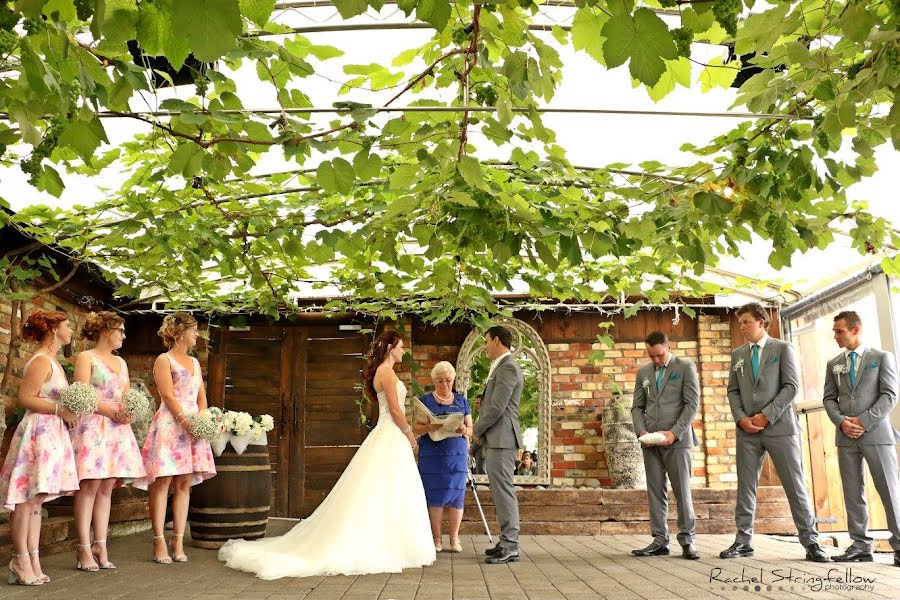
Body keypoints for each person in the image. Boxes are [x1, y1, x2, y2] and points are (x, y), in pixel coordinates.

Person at [218, 331, 435, 579]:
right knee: (384, 488)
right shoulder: (385, 372)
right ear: (389, 349)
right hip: (391, 433)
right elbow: (395, 410)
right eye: (400, 346)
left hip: (388, 435)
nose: (403, 350)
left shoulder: (386, 371)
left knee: (390, 489)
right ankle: (384, 544)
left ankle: (394, 542)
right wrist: (410, 435)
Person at [720, 303, 828, 562]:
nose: (742, 327)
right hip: (747, 431)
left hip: (781, 429)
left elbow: (791, 387)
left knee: (795, 485)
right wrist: (742, 419)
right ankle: (743, 541)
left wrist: (765, 416)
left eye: (746, 321)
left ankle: (811, 542)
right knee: (746, 487)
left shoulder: (783, 349)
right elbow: (733, 391)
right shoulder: (738, 356)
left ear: (761, 321)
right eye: (740, 323)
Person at [0, 310, 80, 585]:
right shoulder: (41, 361)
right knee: (25, 500)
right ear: (54, 329)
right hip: (38, 433)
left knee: (36, 500)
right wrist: (61, 410)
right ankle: (20, 559)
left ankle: (32, 558)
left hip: (51, 435)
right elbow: (25, 398)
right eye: (68, 325)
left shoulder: (53, 361)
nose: (71, 330)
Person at [135, 312, 216, 564]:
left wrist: (202, 419)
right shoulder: (164, 359)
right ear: (181, 333)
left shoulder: (194, 362)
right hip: (171, 424)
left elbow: (201, 394)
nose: (197, 335)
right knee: (163, 482)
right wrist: (185, 422)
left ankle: (178, 539)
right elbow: (168, 396)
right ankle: (158, 539)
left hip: (193, 426)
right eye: (194, 330)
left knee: (184, 484)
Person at [70, 312, 146, 571]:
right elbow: (81, 395)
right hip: (93, 425)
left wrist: (129, 411)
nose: (124, 336)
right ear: (105, 331)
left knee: (106, 487)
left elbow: (125, 394)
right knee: (89, 486)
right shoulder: (86, 358)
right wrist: (109, 411)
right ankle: (82, 548)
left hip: (116, 429)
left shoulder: (121, 363)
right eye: (120, 331)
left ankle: (100, 545)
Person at [822, 311, 900, 566]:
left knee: (889, 490)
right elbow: (828, 399)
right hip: (845, 436)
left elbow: (889, 395)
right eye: (834, 331)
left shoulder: (881, 357)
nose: (835, 336)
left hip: (876, 434)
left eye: (839, 331)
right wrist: (842, 422)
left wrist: (864, 421)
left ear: (856, 329)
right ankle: (860, 545)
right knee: (853, 492)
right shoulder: (833, 363)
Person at [630, 331, 700, 560]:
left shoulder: (686, 368)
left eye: (659, 355)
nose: (656, 360)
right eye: (652, 356)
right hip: (650, 442)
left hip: (677, 441)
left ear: (669, 347)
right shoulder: (643, 373)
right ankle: (660, 540)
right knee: (655, 491)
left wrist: (674, 433)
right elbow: (637, 407)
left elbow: (691, 405)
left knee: (682, 491)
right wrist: (641, 431)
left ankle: (688, 540)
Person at [474, 325, 524, 564]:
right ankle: (505, 541)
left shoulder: (508, 367)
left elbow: (497, 407)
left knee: (504, 491)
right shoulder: (501, 367)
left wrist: (476, 429)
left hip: (502, 438)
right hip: (496, 438)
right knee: (500, 490)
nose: (484, 347)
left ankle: (510, 545)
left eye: (486, 341)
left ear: (495, 340)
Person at [415, 361, 473, 553]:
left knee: (457, 494)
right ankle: (437, 539)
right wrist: (429, 427)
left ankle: (454, 539)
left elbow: (470, 429)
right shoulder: (426, 400)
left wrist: (465, 429)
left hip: (456, 453)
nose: (445, 384)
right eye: (440, 381)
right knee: (434, 495)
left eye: (448, 380)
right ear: (434, 381)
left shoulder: (462, 401)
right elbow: (416, 428)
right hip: (432, 454)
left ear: (453, 379)